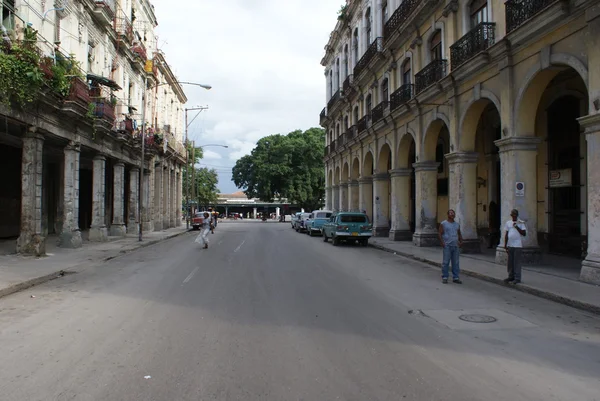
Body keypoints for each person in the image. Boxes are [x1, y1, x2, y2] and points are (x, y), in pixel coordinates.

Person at [438, 209, 463, 284]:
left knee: (455, 262)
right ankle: (445, 276)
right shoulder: (443, 223)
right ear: (448, 215)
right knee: (446, 262)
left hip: (455, 246)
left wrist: (461, 241)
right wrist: (442, 242)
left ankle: (456, 277)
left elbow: (459, 234)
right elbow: (439, 233)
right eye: (450, 213)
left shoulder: (457, 224)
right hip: (447, 245)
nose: (452, 214)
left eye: (453, 213)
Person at [504, 209, 527, 284]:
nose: (514, 216)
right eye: (512, 214)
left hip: (517, 245)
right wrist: (505, 245)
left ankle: (517, 278)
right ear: (511, 215)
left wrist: (517, 227)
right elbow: (506, 234)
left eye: (515, 214)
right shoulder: (508, 223)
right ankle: (511, 276)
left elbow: (524, 233)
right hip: (510, 244)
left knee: (517, 262)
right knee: (510, 262)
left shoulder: (520, 222)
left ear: (517, 215)